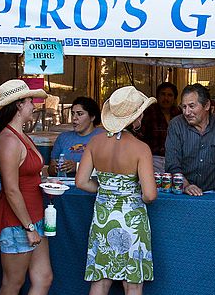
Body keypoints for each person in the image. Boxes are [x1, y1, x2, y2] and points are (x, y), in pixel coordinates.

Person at [76, 86, 158, 295]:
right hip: (132, 220)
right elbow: (149, 194)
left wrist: (107, 191)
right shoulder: (141, 148)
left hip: (102, 219)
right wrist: (129, 194)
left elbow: (81, 182)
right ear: (136, 117)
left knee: (100, 279)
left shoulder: (95, 142)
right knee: (132, 283)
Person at [0, 79, 54, 295]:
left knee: (43, 278)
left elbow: (33, 173)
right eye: (29, 101)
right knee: (13, 283)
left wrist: (48, 181)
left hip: (32, 216)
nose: (34, 106)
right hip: (18, 221)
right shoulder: (8, 139)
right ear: (18, 105)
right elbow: (11, 189)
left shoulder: (21, 136)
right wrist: (29, 227)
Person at [48, 96, 103, 177]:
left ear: (92, 117)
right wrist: (57, 168)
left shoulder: (103, 137)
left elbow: (108, 169)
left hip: (92, 187)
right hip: (64, 186)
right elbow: (50, 170)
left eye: (80, 114)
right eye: (73, 114)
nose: (74, 118)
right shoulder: (63, 137)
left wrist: (77, 166)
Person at [136, 82, 181, 173]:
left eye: (170, 95)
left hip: (174, 160)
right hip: (152, 159)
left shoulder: (178, 114)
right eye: (163, 94)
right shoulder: (149, 112)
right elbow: (140, 136)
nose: (166, 98)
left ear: (174, 98)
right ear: (157, 96)